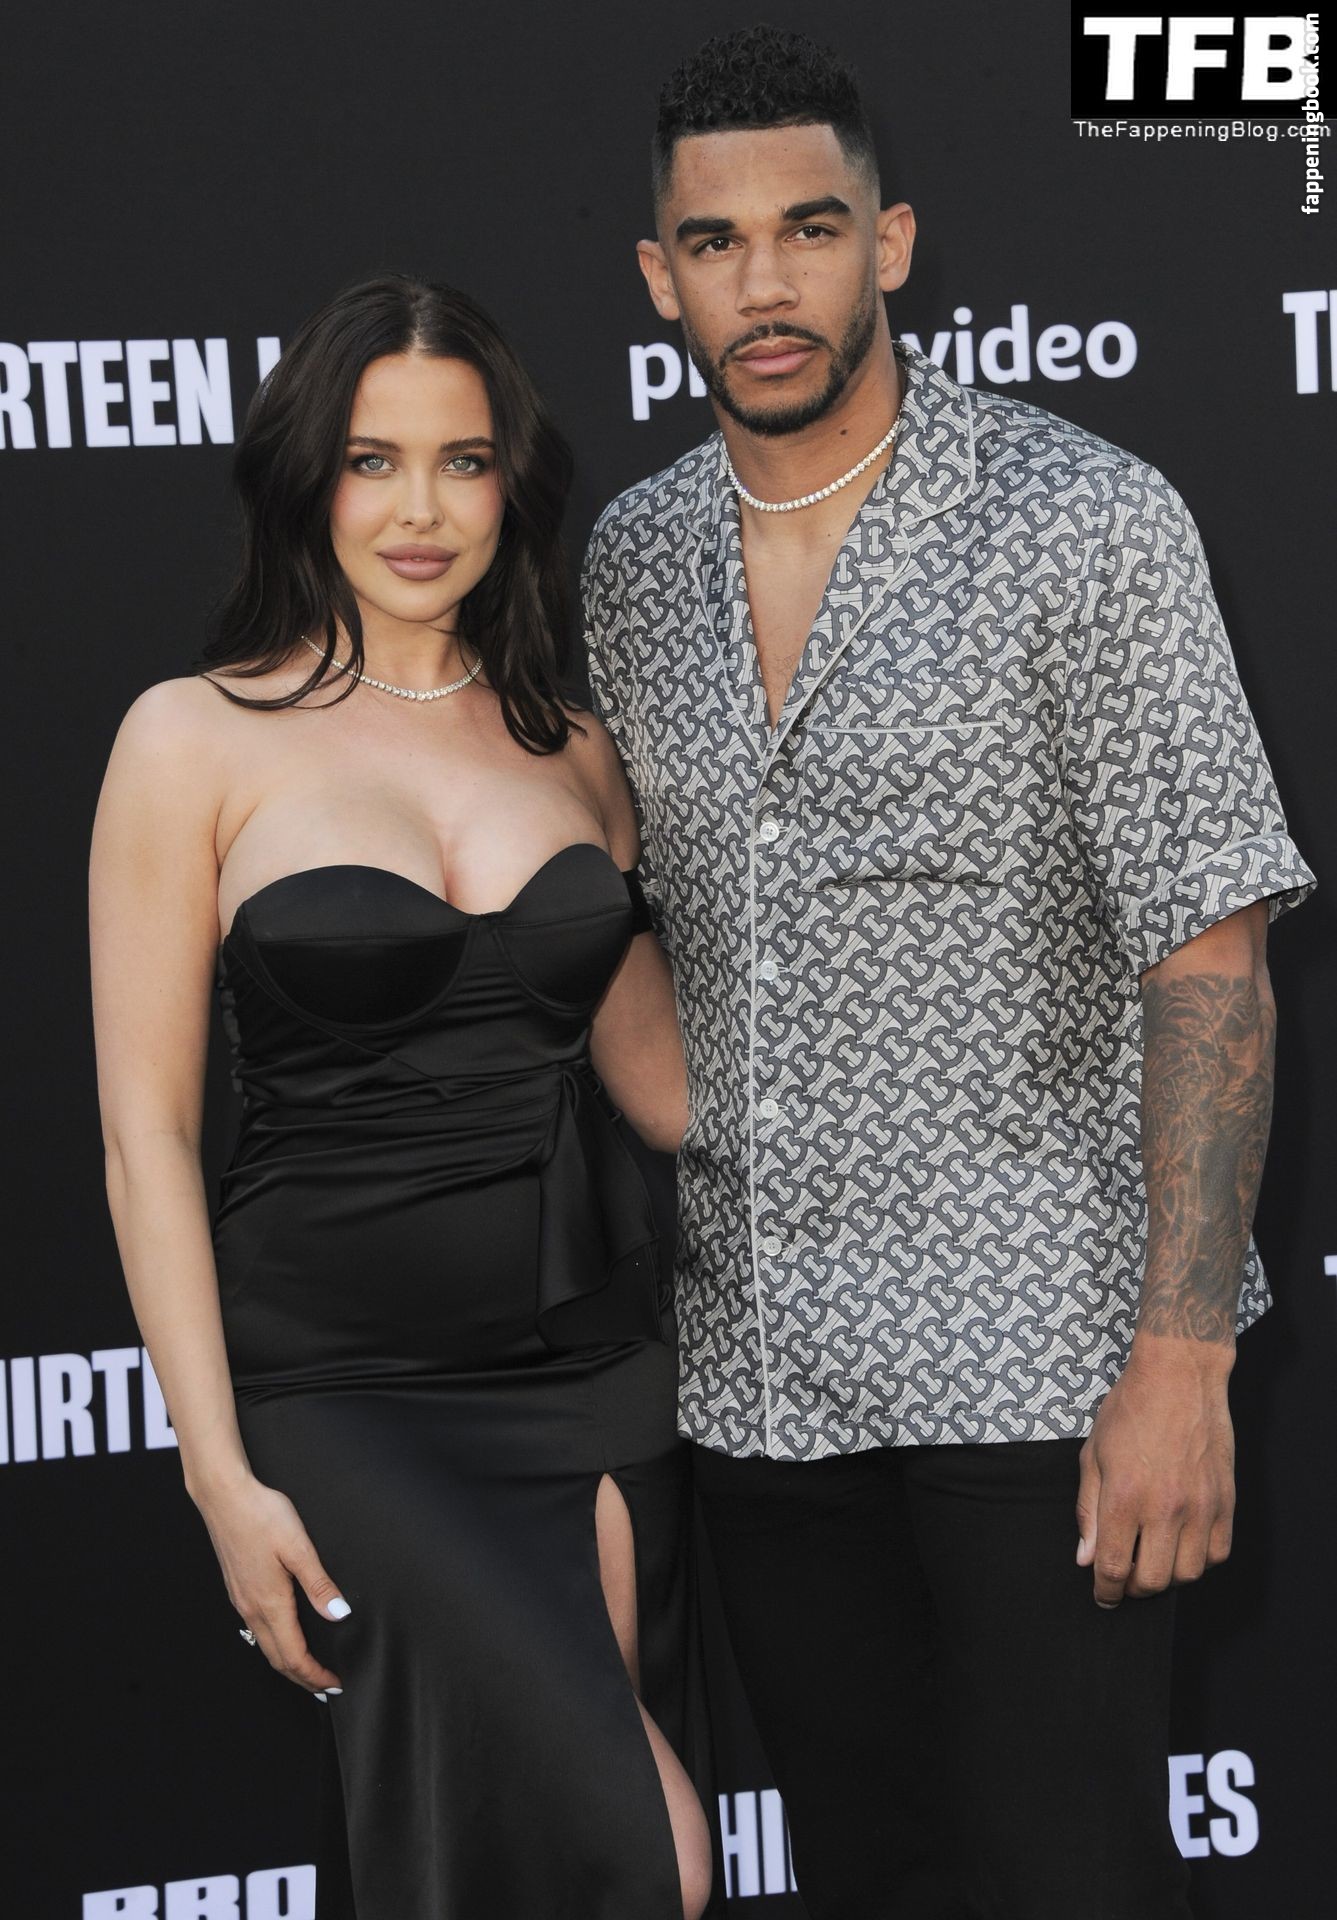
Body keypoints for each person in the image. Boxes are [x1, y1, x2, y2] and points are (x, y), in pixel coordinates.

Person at [582, 25, 1316, 1920]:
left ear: (890, 245)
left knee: (1064, 1882)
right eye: (717, 242)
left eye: (810, 229)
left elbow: (1210, 962)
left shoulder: (1084, 520)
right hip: (762, 1381)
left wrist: (1179, 1361)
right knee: (871, 1882)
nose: (766, 283)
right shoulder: (630, 566)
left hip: (1044, 1368)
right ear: (660, 277)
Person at [90, 274, 716, 1920]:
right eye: (374, 461)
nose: (420, 511)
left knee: (580, 1867)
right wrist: (217, 1475)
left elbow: (664, 1089)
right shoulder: (192, 739)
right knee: (643, 1855)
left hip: (590, 1366)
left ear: (513, 482)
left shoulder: (574, 746)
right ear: (310, 478)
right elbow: (147, 1138)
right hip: (345, 1388)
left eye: (463, 460)